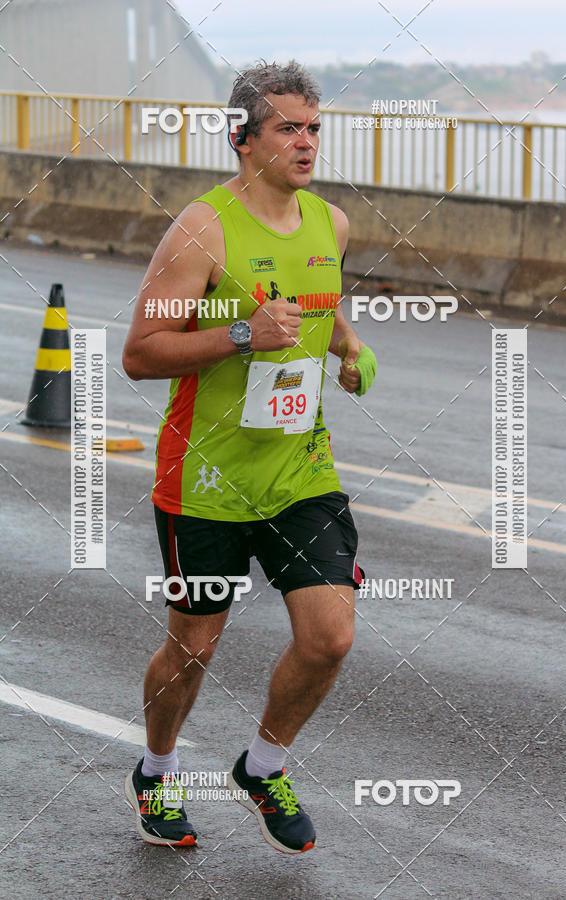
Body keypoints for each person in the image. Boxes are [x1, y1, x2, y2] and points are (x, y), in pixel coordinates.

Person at [121, 59, 377, 853]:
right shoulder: (200, 229)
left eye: (313, 128)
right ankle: (156, 771)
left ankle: (262, 766)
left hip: (301, 471)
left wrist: (348, 346)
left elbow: (320, 306)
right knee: (193, 648)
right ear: (244, 139)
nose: (306, 143)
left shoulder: (330, 223)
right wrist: (239, 333)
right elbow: (140, 352)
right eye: (288, 129)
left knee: (330, 635)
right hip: (205, 478)